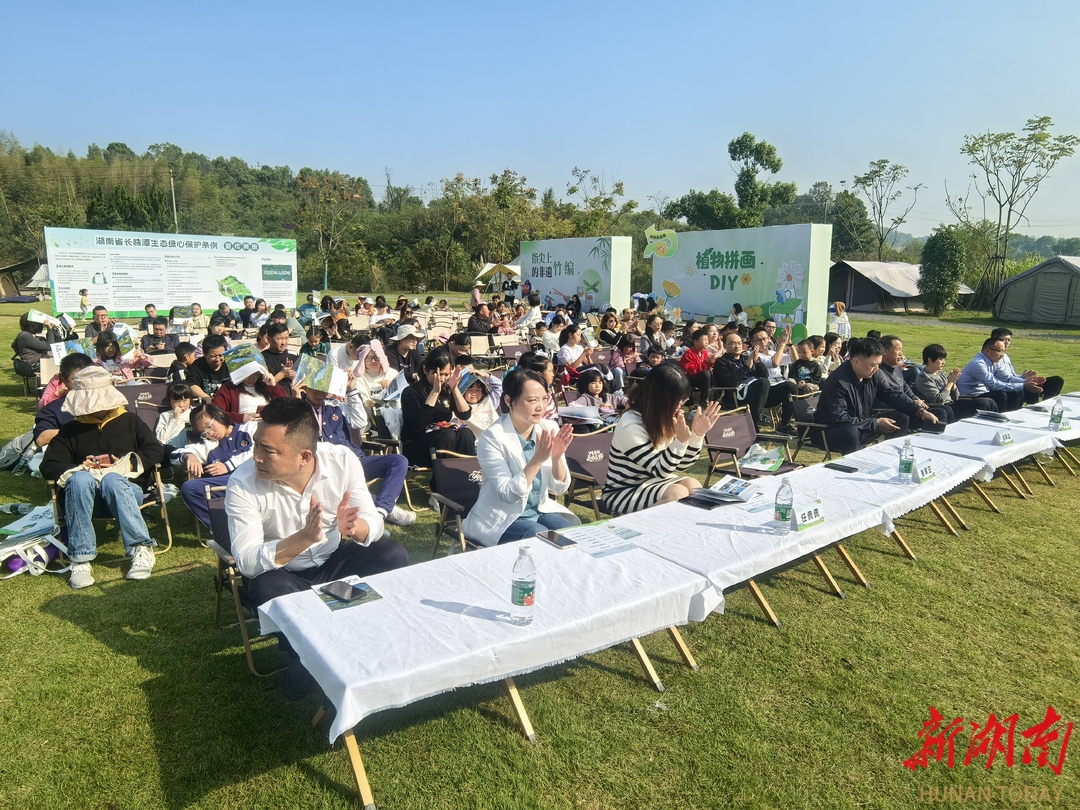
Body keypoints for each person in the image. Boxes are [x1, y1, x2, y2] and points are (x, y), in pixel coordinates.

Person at [224, 397, 409, 697]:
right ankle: (309, 655)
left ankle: (359, 637)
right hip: (286, 572)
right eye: (256, 444)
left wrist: (355, 527)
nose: (256, 457)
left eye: (267, 450)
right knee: (265, 587)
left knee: (392, 554)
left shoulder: (342, 461)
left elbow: (373, 524)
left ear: (305, 456)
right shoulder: (243, 483)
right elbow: (245, 560)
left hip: (334, 559)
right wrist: (303, 539)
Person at [40, 366, 165, 588]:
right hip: (84, 499)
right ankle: (80, 557)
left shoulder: (130, 421)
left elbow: (155, 450)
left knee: (112, 480)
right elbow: (49, 465)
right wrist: (81, 467)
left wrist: (125, 464)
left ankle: (141, 548)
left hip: (126, 492)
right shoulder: (70, 430)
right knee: (79, 479)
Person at [462, 369, 579, 545]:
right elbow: (508, 494)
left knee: (572, 532)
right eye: (532, 400)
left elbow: (559, 488)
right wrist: (537, 460)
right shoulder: (492, 437)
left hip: (539, 510)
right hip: (501, 517)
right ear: (509, 400)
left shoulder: (548, 427)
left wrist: (556, 458)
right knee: (539, 536)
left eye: (544, 399)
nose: (541, 406)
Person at [602, 364, 722, 516]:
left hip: (653, 483)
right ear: (661, 398)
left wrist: (697, 435)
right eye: (678, 401)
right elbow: (660, 470)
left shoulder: (662, 417)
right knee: (677, 493)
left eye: (683, 401)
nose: (680, 406)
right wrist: (681, 442)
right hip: (623, 491)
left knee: (693, 486)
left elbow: (681, 466)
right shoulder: (630, 425)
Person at [297, 384, 415, 526]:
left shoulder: (336, 406)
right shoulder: (299, 409)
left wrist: (351, 391)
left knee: (399, 461)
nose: (319, 394)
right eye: (315, 390)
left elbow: (360, 422)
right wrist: (297, 402)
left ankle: (381, 511)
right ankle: (388, 511)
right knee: (339, 486)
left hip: (353, 461)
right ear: (305, 389)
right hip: (326, 468)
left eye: (323, 390)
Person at [813, 337, 937, 456]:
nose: (877, 369)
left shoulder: (873, 375)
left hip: (862, 424)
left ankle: (893, 458)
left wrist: (919, 411)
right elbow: (840, 418)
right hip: (830, 431)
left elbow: (891, 394)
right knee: (850, 431)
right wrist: (874, 423)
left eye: (879, 364)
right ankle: (854, 467)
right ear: (856, 361)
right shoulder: (838, 381)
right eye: (873, 365)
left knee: (900, 418)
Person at [400, 349, 476, 466]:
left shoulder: (447, 390)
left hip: (443, 438)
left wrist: (454, 389)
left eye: (446, 375)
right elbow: (418, 425)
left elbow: (465, 414)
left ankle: (467, 474)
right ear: (425, 370)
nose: (442, 379)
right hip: (417, 444)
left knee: (465, 434)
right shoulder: (411, 392)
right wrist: (434, 393)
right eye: (438, 374)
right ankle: (443, 479)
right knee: (448, 435)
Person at [711, 331, 795, 433]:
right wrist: (747, 367)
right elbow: (730, 381)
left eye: (739, 343)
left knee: (790, 386)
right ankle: (753, 425)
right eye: (732, 343)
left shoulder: (746, 358)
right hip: (738, 396)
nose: (737, 346)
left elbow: (765, 375)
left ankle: (784, 425)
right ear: (724, 345)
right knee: (763, 383)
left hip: (760, 394)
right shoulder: (722, 362)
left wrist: (757, 362)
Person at [877, 335, 948, 428]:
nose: (901, 354)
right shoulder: (878, 371)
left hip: (906, 406)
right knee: (939, 413)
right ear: (885, 351)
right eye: (898, 350)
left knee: (943, 411)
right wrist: (918, 409)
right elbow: (893, 394)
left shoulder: (895, 368)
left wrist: (915, 398)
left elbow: (905, 387)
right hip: (890, 409)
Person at [915, 344, 998, 421]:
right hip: (944, 408)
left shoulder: (941, 373)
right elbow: (938, 400)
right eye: (940, 359)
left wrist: (953, 383)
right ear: (930, 360)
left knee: (989, 401)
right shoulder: (924, 378)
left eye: (944, 359)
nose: (944, 362)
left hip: (953, 403)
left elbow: (955, 397)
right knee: (982, 403)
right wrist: (950, 383)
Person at [956, 337, 1039, 412]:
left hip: (983, 393)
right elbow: (993, 384)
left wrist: (1025, 381)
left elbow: (1006, 378)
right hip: (969, 397)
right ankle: (1000, 419)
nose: (1002, 355)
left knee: (1017, 391)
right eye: (1000, 351)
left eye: (1004, 351)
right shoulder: (978, 364)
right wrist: (1023, 385)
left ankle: (1015, 415)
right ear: (988, 351)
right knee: (1000, 394)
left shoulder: (993, 361)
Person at [34, 353, 94, 450]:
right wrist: (84, 430)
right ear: (64, 380)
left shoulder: (109, 403)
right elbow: (41, 438)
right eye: (76, 379)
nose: (84, 383)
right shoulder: (53, 409)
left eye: (89, 377)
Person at [990, 327, 1063, 403]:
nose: (1007, 342)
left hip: (1015, 382)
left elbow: (1012, 375)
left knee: (1057, 381)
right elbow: (1005, 378)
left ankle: (1047, 404)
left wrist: (1023, 377)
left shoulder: (1005, 356)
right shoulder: (992, 357)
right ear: (995, 340)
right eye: (1004, 339)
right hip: (1007, 387)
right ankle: (1035, 407)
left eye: (1009, 340)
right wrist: (1025, 381)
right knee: (1032, 385)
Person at [212, 368, 287, 424]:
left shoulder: (265, 385)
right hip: (242, 429)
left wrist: (273, 386)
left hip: (266, 427)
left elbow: (287, 405)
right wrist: (241, 417)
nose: (252, 378)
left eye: (256, 374)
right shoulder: (228, 388)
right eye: (248, 374)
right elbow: (216, 413)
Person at [185, 334, 231, 400]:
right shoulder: (198, 365)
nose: (217, 359)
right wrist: (206, 397)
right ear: (204, 354)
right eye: (213, 356)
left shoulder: (231, 363)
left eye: (221, 355)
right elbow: (191, 384)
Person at [678, 327, 714, 406]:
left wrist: (711, 362)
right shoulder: (689, 353)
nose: (707, 342)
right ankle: (704, 400)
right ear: (695, 341)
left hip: (703, 378)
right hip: (690, 379)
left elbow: (707, 367)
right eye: (704, 340)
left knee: (710, 373)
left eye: (707, 340)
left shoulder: (705, 353)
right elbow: (690, 370)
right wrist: (706, 362)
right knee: (706, 373)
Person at [156, 382, 195, 449]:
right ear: (170, 401)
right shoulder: (166, 415)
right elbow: (160, 438)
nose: (181, 405)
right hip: (173, 447)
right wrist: (174, 420)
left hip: (192, 445)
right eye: (177, 401)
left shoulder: (195, 412)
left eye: (185, 401)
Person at [262, 323, 297, 393]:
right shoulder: (262, 358)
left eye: (286, 338)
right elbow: (263, 386)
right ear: (269, 339)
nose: (284, 342)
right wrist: (282, 374)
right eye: (279, 339)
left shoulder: (293, 355)